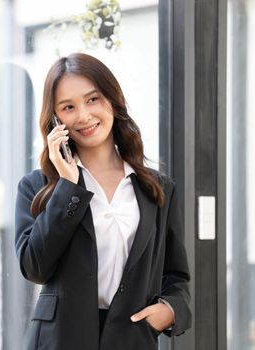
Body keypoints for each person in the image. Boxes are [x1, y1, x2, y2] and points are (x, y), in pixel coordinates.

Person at [14, 53, 191, 350]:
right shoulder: (38, 187)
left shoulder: (156, 188)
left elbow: (177, 275)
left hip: (132, 338)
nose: (83, 116)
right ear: (55, 119)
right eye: (68, 107)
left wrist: (170, 312)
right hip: (59, 341)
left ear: (112, 100)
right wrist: (68, 185)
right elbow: (34, 267)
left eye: (92, 99)